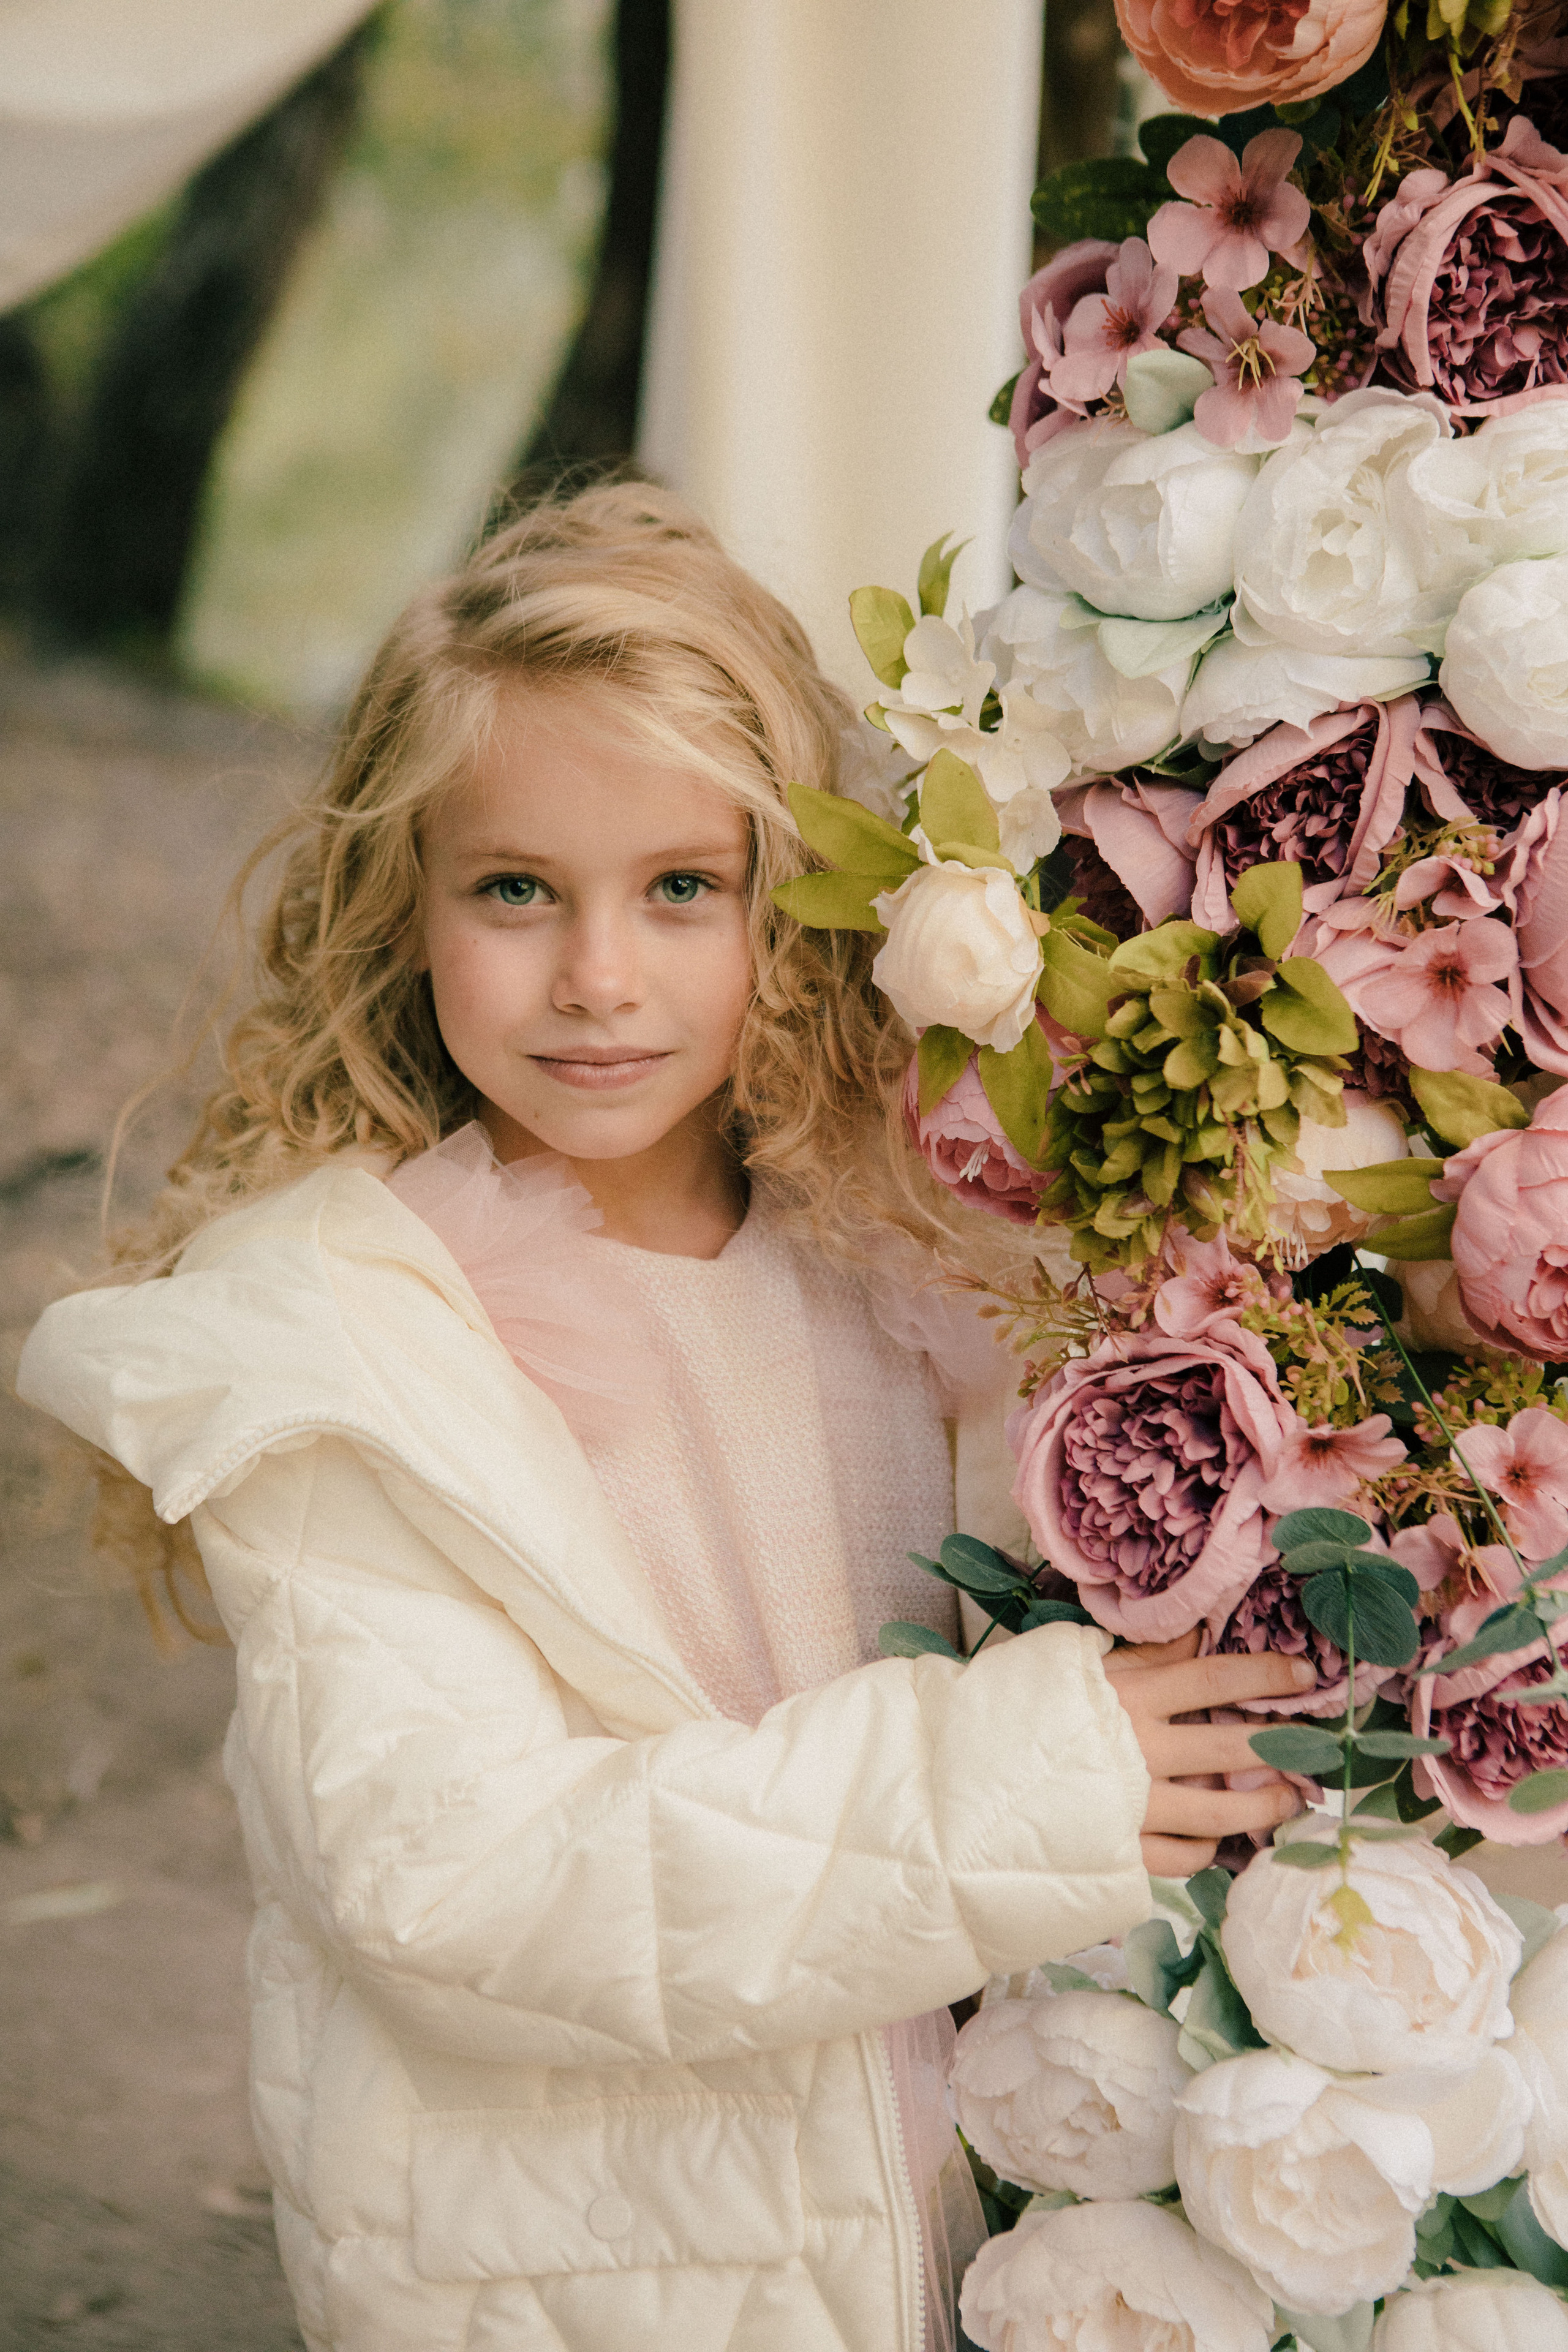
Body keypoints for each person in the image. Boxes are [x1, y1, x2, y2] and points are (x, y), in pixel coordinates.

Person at [18, 484, 1313, 2352]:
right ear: (404, 907)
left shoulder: (907, 1268)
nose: (600, 978)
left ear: (792, 902)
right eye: (517, 890)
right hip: (605, 2280)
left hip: (988, 2241)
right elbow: (461, 1883)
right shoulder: (346, 1358)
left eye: (681, 888)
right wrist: (1021, 1784)